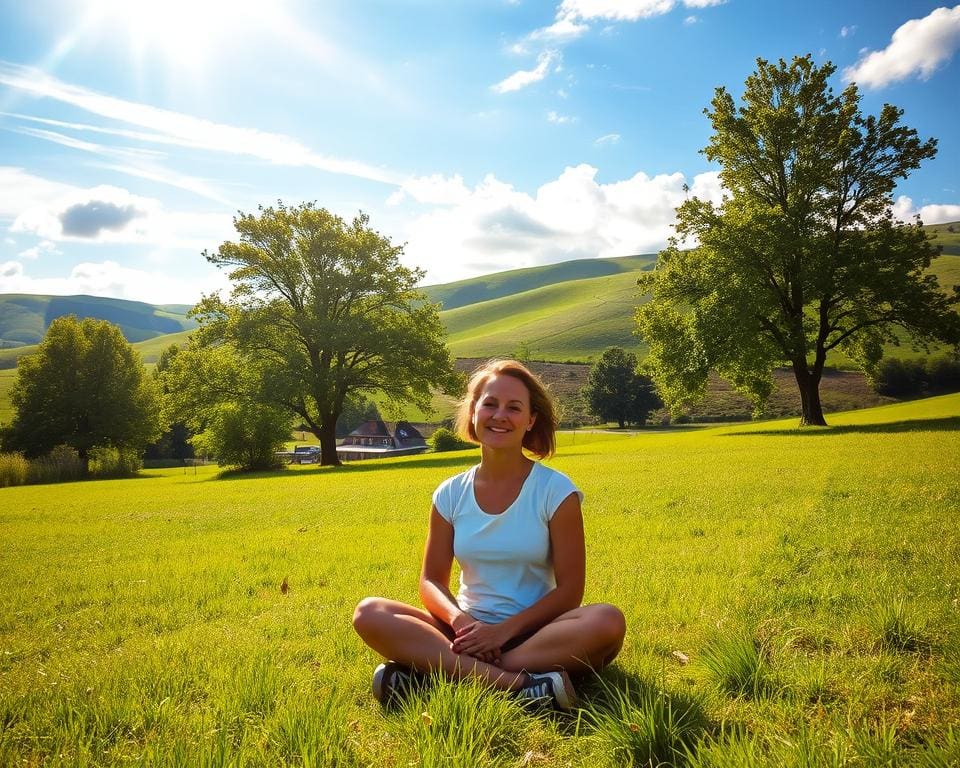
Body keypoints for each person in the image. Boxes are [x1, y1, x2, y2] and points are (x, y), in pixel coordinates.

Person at [352, 359, 626, 711]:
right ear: (474, 412)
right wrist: (461, 622)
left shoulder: (556, 491)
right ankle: (521, 685)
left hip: (536, 635)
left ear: (530, 421)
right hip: (463, 634)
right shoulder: (450, 493)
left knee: (606, 621)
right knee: (369, 612)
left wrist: (502, 633)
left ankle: (431, 674)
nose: (500, 415)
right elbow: (431, 582)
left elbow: (570, 591)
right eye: (490, 404)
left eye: (514, 408)